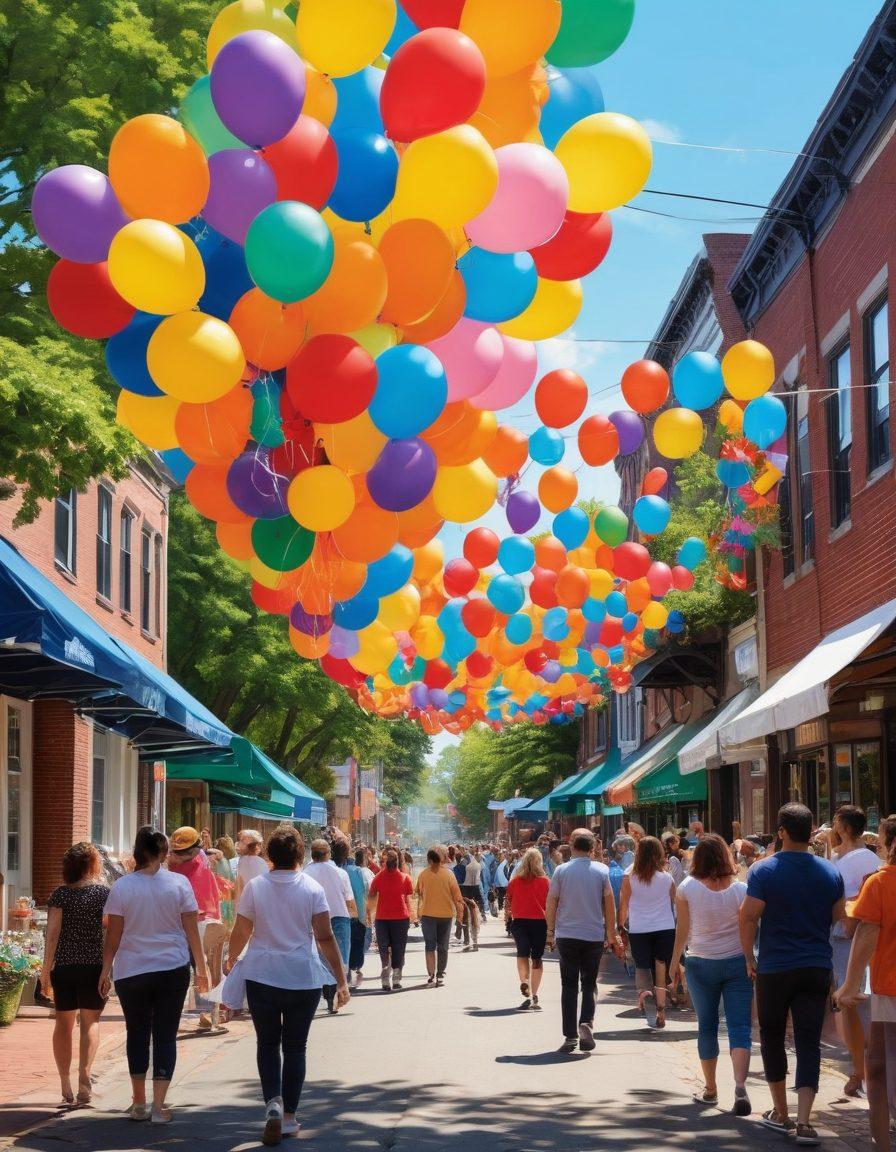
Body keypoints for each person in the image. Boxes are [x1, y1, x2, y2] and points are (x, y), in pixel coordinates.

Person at [224, 827, 349, 1146]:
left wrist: (230, 958)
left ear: (269, 855)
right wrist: (341, 979)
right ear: (300, 855)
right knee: (295, 1046)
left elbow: (242, 928)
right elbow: (324, 937)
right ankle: (290, 1116)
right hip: (300, 976)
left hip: (261, 974)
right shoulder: (311, 887)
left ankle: (273, 1106)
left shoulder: (255, 887)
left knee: (267, 1043)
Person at [740, 803, 845, 1144]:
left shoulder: (763, 870)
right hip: (815, 965)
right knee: (808, 1041)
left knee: (771, 1035)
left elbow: (749, 917)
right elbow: (838, 917)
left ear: (782, 832)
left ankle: (780, 1111)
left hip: (775, 965)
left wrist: (748, 958)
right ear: (811, 831)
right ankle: (803, 1120)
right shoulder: (830, 872)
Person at [100, 827, 209, 1124]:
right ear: (162, 853)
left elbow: (114, 934)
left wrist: (105, 968)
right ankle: (159, 1106)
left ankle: (138, 1103)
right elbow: (191, 930)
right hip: (171, 968)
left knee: (136, 1032)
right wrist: (202, 966)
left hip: (131, 970)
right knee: (164, 1035)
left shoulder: (123, 887)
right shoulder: (179, 884)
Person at [669, 833, 752, 1114]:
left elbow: (682, 930)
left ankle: (711, 1088)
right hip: (737, 962)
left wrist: (673, 963)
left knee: (707, 1025)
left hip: (700, 962)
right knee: (739, 1026)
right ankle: (740, 1087)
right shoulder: (741, 890)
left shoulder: (687, 888)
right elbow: (749, 929)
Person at [835, 813, 896, 1152]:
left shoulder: (881, 882)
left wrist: (849, 985)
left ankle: (882, 1143)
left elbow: (866, 934)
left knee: (879, 1063)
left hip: (890, 986)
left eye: (882, 841)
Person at [40, 842, 109, 1106]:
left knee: (63, 1024)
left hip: (65, 967)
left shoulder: (59, 895)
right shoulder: (103, 893)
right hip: (93, 966)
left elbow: (53, 935)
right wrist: (108, 968)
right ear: (92, 864)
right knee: (90, 1023)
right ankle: (85, 1077)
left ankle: (64, 1082)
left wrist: (46, 971)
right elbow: (110, 931)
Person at [545, 828, 621, 1053]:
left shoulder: (561, 870)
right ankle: (586, 1023)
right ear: (592, 849)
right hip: (593, 935)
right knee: (589, 983)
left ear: (572, 847)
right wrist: (611, 932)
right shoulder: (601, 870)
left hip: (567, 934)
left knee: (568, 985)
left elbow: (552, 901)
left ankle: (570, 1036)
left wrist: (550, 931)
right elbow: (609, 904)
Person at [828, 804, 879, 1096]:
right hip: (864, 933)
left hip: (844, 933)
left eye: (836, 821)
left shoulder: (847, 860)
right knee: (863, 1000)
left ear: (843, 827)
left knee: (849, 1001)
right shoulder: (869, 858)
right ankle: (865, 1068)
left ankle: (861, 1068)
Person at [167, 826, 225, 1033]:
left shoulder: (182, 863)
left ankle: (204, 1013)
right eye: (177, 852)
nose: (179, 855)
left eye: (183, 852)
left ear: (194, 849)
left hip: (200, 920)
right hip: (189, 920)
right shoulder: (192, 858)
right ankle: (203, 1013)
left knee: (200, 966)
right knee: (199, 966)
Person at [618, 836, 676, 1030]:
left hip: (639, 928)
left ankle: (644, 992)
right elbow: (674, 902)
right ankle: (661, 1009)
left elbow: (624, 903)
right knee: (660, 966)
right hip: (665, 927)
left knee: (642, 966)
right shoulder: (667, 877)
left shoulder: (630, 876)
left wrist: (620, 925)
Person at [303, 840, 357, 1014]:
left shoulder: (305, 873)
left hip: (315, 919)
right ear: (328, 854)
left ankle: (328, 996)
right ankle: (338, 992)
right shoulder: (340, 872)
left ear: (312, 854)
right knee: (339, 958)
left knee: (321, 960)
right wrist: (357, 915)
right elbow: (349, 900)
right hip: (340, 916)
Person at [505, 847, 551, 1011]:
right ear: (539, 862)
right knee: (537, 958)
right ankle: (535, 994)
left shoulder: (515, 881)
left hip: (519, 922)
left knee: (522, 953)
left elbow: (508, 900)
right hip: (539, 922)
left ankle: (524, 981)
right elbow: (551, 904)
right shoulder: (545, 881)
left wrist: (507, 917)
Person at [415, 846, 465, 986]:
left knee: (430, 946)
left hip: (428, 915)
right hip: (446, 915)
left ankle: (431, 974)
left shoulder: (423, 874)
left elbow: (418, 894)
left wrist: (416, 914)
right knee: (443, 946)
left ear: (429, 860)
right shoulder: (449, 874)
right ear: (441, 859)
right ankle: (440, 973)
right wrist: (460, 915)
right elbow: (457, 897)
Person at [368, 848, 414, 990]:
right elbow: (408, 896)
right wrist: (412, 915)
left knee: (383, 947)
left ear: (385, 862)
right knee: (398, 947)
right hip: (401, 917)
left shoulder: (378, 877)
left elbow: (371, 895)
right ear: (398, 862)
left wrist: (369, 913)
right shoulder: (405, 878)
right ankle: (396, 977)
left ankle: (385, 974)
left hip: (382, 918)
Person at [342, 846, 372, 988]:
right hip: (358, 912)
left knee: (345, 942)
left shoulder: (339, 871)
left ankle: (348, 970)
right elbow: (366, 890)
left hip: (343, 913)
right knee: (358, 941)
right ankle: (356, 967)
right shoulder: (358, 871)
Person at [235, 829, 269, 913]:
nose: (239, 843)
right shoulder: (258, 862)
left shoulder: (243, 861)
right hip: (255, 908)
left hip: (246, 908)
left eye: (242, 840)